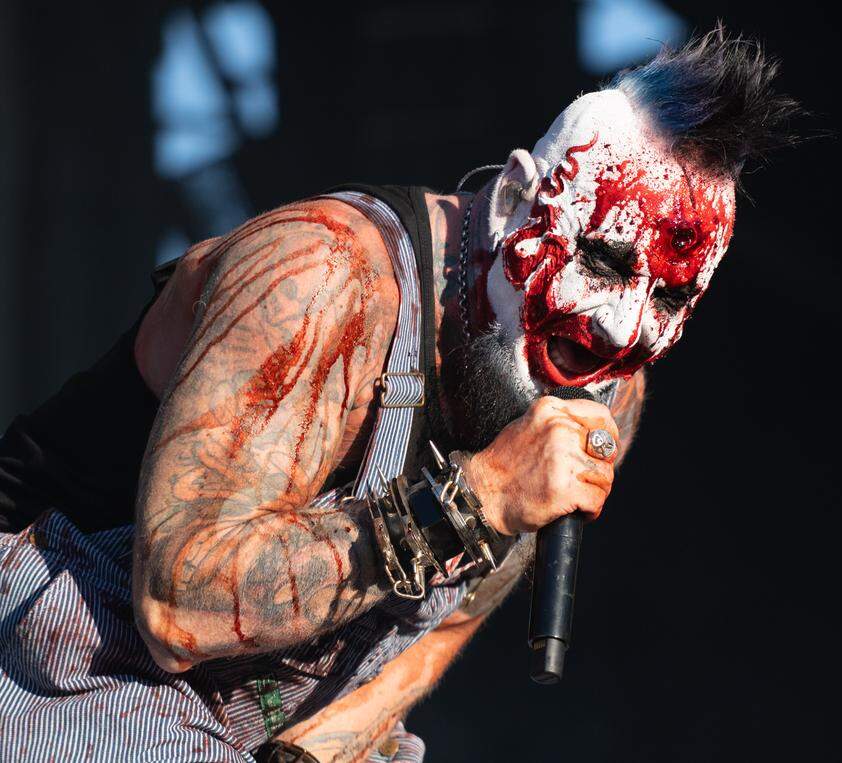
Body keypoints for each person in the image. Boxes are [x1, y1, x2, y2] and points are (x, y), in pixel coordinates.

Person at [0, 26, 799, 762]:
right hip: (61, 631)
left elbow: (447, 619)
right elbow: (178, 607)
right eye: (608, 262)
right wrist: (469, 500)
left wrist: (325, 743)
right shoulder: (323, 274)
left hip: (244, 715)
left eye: (669, 298)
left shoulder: (604, 389)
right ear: (521, 201)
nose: (625, 328)